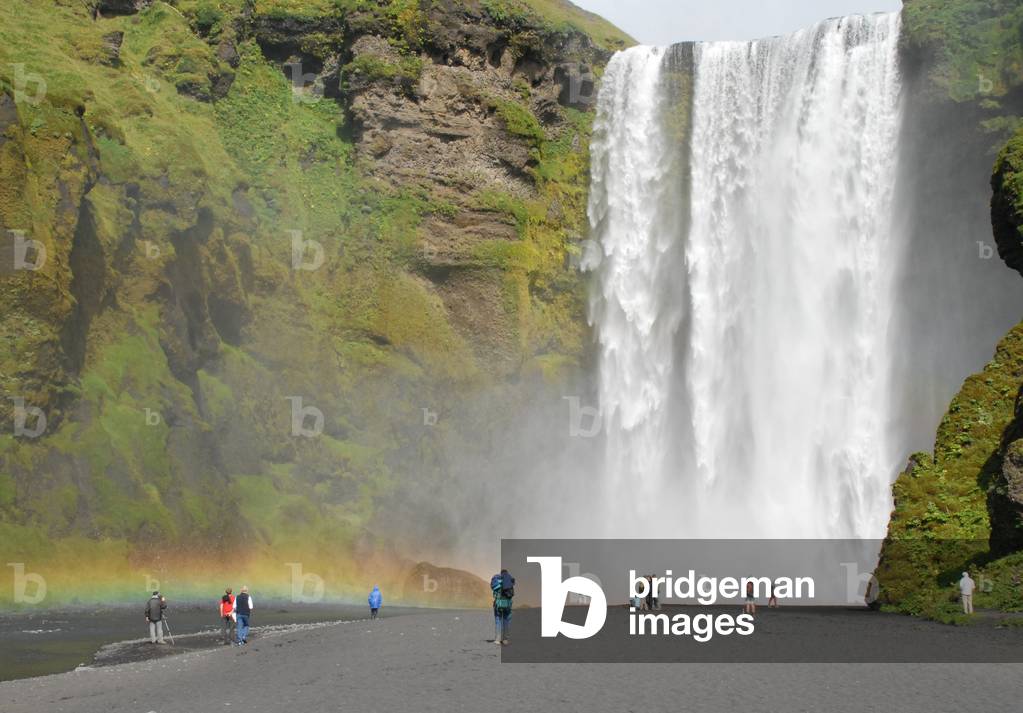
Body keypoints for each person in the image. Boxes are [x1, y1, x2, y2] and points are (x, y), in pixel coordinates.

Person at [491, 569, 514, 645]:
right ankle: (505, 640)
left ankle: (497, 639)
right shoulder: (509, 580)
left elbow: (494, 592)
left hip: (498, 604)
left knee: (498, 621)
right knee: (506, 621)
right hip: (507, 605)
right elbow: (511, 594)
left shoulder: (496, 580)